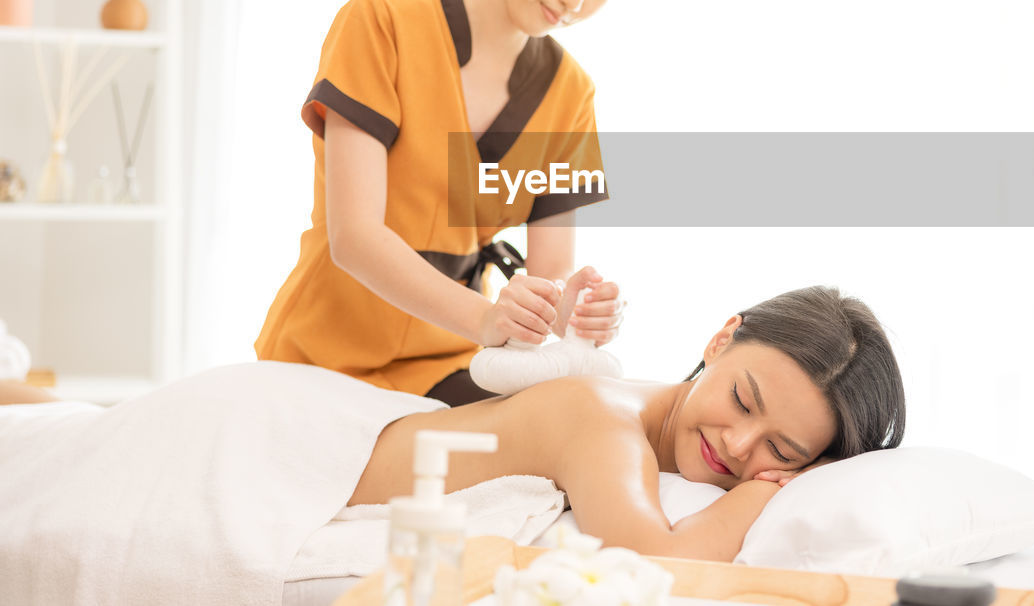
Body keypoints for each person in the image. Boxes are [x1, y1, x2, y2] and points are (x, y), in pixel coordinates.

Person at [0, 285, 904, 566]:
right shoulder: (604, 418)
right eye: (743, 403)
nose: (740, 451)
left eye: (781, 453)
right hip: (267, 435)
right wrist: (755, 500)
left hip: (303, 423)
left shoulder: (628, 412)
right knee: (57, 454)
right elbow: (651, 555)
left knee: (74, 431)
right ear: (721, 337)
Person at [253, 0, 649, 405]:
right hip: (321, 357)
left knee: (583, 422)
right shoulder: (382, 23)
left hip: (454, 364)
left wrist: (575, 309)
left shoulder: (570, 93)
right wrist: (488, 318)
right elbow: (355, 238)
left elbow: (552, 273)